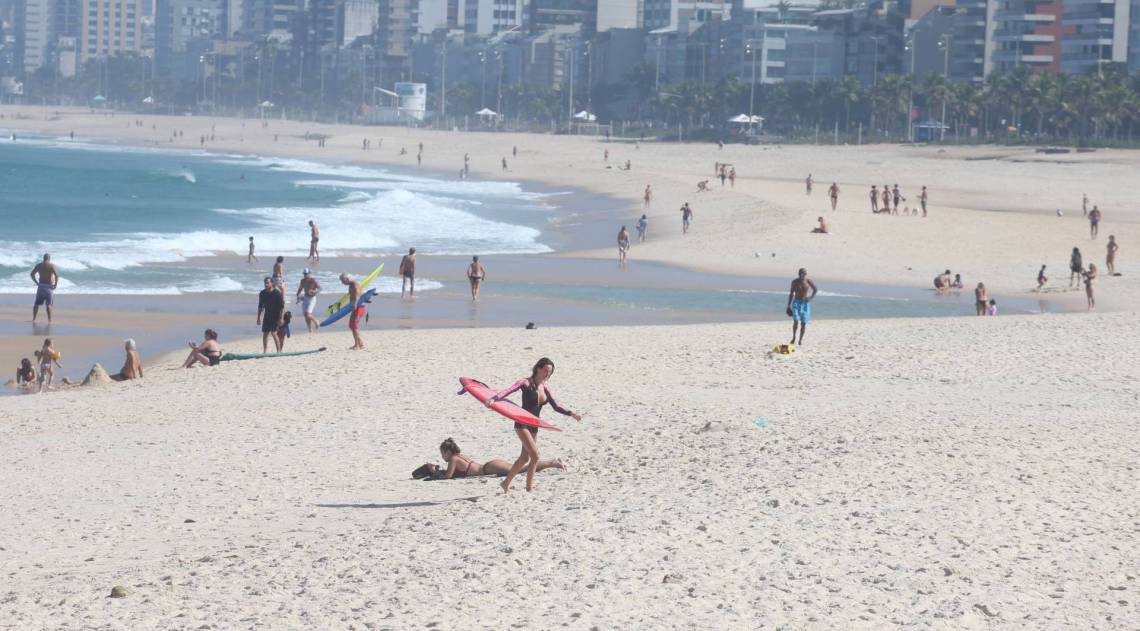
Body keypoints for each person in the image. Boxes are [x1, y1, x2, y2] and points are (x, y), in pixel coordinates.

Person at [486, 358, 581, 493]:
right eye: (546, 371)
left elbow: (556, 406)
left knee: (525, 458)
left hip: (534, 425)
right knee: (535, 456)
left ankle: (505, 483)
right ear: (538, 368)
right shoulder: (525, 382)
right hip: (522, 423)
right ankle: (529, 488)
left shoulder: (545, 388)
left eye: (550, 372)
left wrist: (572, 414)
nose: (548, 374)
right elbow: (508, 391)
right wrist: (493, 399)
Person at [434, 438, 564, 479]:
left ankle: (551, 462)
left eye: (442, 453)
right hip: (490, 465)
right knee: (520, 468)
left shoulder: (453, 460)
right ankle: (551, 462)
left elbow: (448, 476)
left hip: (489, 468)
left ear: (447, 452)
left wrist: (433, 471)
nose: (442, 456)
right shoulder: (459, 456)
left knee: (521, 469)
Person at [786, 269, 818, 345]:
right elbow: (791, 293)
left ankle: (800, 340)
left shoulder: (808, 281)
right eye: (802, 273)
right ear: (799, 274)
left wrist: (810, 298)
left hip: (805, 304)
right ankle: (794, 337)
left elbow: (815, 289)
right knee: (796, 321)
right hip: (796, 303)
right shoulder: (795, 282)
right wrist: (788, 306)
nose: (803, 275)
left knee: (803, 323)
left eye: (805, 274)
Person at [256, 277, 285, 353]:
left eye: (268, 283)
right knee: (265, 333)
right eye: (265, 283)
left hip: (276, 316)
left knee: (274, 333)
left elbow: (282, 307)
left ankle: (278, 351)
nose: (266, 284)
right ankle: (265, 351)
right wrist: (258, 318)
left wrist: (281, 319)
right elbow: (260, 306)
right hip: (267, 315)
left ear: (272, 283)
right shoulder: (262, 293)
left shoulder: (277, 293)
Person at [30, 253, 59, 323]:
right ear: (49, 258)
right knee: (49, 305)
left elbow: (32, 274)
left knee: (36, 303)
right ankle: (49, 320)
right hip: (49, 287)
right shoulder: (51, 266)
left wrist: (37, 283)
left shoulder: (39, 265)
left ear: (43, 258)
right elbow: (57, 275)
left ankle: (34, 319)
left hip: (41, 286)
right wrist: (55, 285)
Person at [340, 274, 365, 350]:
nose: (342, 283)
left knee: (353, 326)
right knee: (352, 325)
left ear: (347, 279)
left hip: (358, 307)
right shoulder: (351, 285)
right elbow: (353, 294)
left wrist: (355, 304)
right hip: (356, 307)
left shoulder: (355, 284)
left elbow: (357, 294)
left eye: (343, 281)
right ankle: (360, 344)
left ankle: (357, 345)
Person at [296, 268, 321, 333]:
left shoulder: (313, 280)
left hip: (312, 298)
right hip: (305, 298)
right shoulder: (302, 281)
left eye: (306, 274)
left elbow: (319, 288)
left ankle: (316, 321)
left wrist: (315, 291)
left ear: (309, 273)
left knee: (308, 314)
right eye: (304, 274)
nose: (305, 275)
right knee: (305, 315)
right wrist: (298, 296)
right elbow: (300, 288)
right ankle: (310, 329)